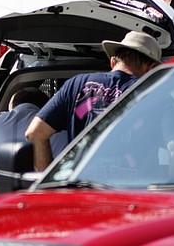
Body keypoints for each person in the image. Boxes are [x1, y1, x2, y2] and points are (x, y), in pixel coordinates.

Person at [25, 30, 161, 171]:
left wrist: (49, 182)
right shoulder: (156, 93)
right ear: (150, 68)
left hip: (82, 190)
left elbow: (35, 133)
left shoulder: (75, 85)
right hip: (133, 191)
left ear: (113, 62)